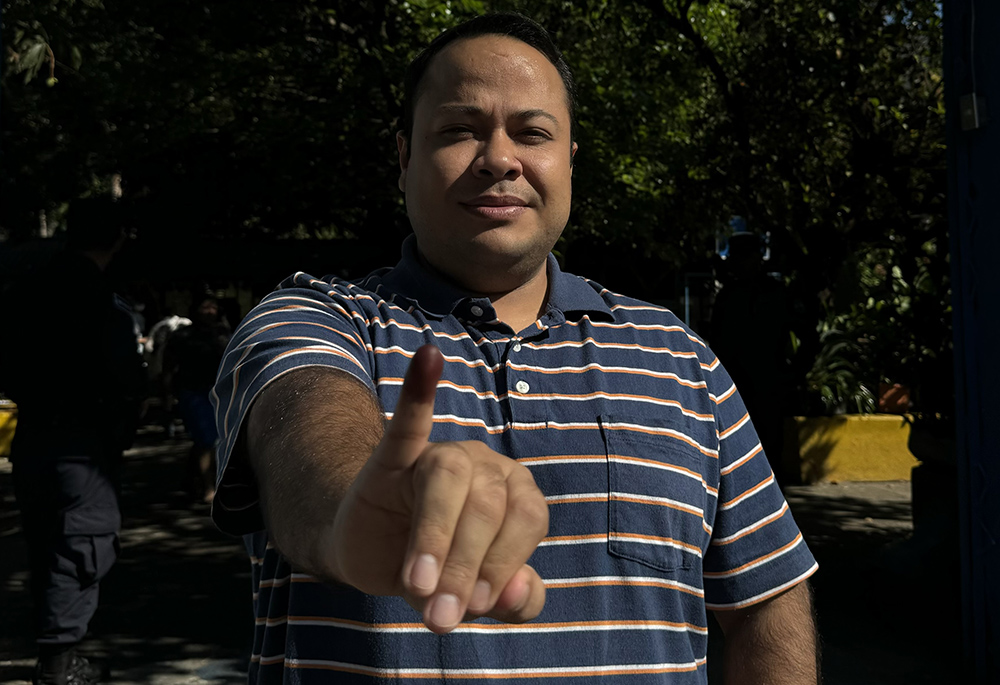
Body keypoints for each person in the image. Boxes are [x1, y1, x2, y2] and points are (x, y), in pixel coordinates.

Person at [211, 13, 819, 684]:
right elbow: (305, 425)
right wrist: (351, 504)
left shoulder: (683, 358)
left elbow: (766, 599)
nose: (499, 158)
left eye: (532, 133)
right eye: (458, 130)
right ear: (405, 159)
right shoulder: (315, 318)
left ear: (568, 162)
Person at [0, 197, 146, 685]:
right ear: (119, 238)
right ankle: (60, 666)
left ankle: (56, 655)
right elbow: (125, 381)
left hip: (34, 435)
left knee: (46, 541)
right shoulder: (100, 299)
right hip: (82, 444)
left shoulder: (26, 290)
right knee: (81, 543)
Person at [162, 293, 230, 502]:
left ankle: (192, 479)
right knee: (205, 439)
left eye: (213, 307)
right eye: (205, 307)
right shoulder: (182, 336)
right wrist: (166, 395)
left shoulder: (224, 334)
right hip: (193, 393)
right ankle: (209, 487)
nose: (209, 311)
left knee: (209, 440)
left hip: (219, 394)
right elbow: (168, 366)